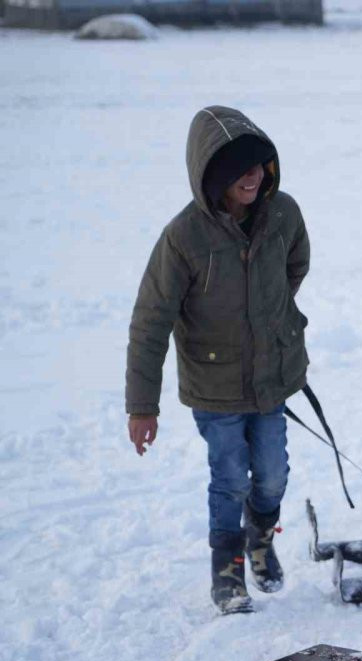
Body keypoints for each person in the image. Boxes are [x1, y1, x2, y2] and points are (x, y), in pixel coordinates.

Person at [126, 106, 311, 615]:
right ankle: (226, 568)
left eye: (257, 165)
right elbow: (150, 321)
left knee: (272, 475)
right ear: (210, 175)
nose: (251, 176)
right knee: (230, 476)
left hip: (271, 377)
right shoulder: (184, 237)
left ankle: (260, 539)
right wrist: (143, 406)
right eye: (237, 169)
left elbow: (296, 265)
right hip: (215, 385)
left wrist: (269, 319)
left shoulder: (284, 213)